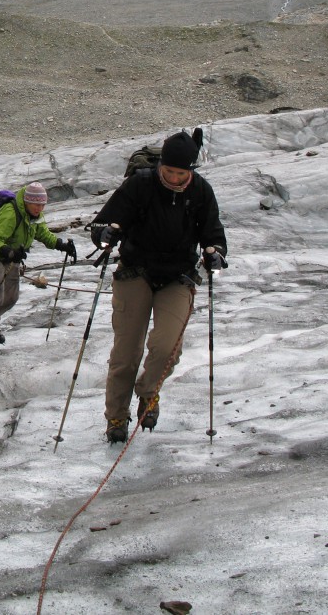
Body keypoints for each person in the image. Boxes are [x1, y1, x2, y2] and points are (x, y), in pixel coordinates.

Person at [90, 130, 228, 442]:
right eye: (169, 172)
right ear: (161, 166)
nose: (175, 178)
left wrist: (215, 253)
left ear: (190, 170)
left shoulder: (201, 192)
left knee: (168, 348)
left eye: (182, 173)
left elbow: (214, 235)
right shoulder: (140, 184)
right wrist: (106, 235)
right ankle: (116, 417)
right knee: (126, 353)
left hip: (178, 277)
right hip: (135, 273)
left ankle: (148, 394)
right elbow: (102, 223)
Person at [0, 182, 78, 354]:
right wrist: (9, 252)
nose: (40, 208)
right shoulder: (11, 213)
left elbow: (43, 234)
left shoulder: (34, 216)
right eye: (36, 204)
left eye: (42, 205)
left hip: (14, 256)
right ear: (27, 201)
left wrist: (62, 245)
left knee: (11, 297)